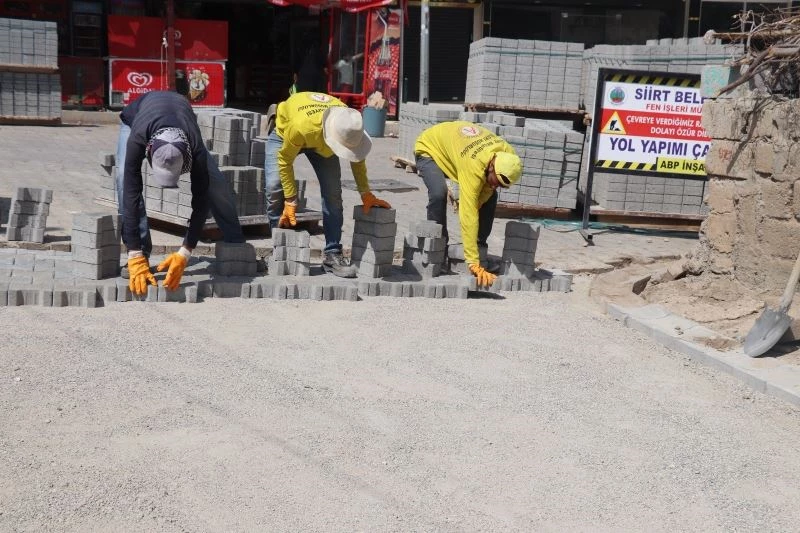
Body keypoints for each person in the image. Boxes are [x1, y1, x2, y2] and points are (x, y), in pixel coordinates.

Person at [116, 89, 245, 295]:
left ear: (187, 159)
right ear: (149, 151)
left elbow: (200, 200)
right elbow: (131, 192)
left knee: (216, 184)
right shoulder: (138, 139)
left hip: (180, 115)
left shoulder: (195, 148)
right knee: (123, 177)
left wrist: (186, 251)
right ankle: (141, 254)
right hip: (136, 117)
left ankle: (236, 246)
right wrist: (133, 252)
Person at [264, 91, 391, 277]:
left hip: (322, 142)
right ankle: (281, 248)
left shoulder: (348, 123)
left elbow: (357, 158)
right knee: (275, 186)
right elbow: (284, 160)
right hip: (286, 132)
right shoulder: (302, 127)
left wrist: (366, 194)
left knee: (333, 193)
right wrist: (291, 199)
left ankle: (333, 254)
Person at [413, 121, 522, 288]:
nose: (496, 185)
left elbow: (489, 188)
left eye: (502, 184)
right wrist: (472, 262)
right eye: (497, 181)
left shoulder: (508, 156)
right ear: (492, 166)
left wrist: (481, 200)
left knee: (491, 197)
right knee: (438, 193)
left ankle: (480, 249)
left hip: (456, 148)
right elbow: (468, 216)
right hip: (430, 148)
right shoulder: (474, 165)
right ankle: (439, 252)